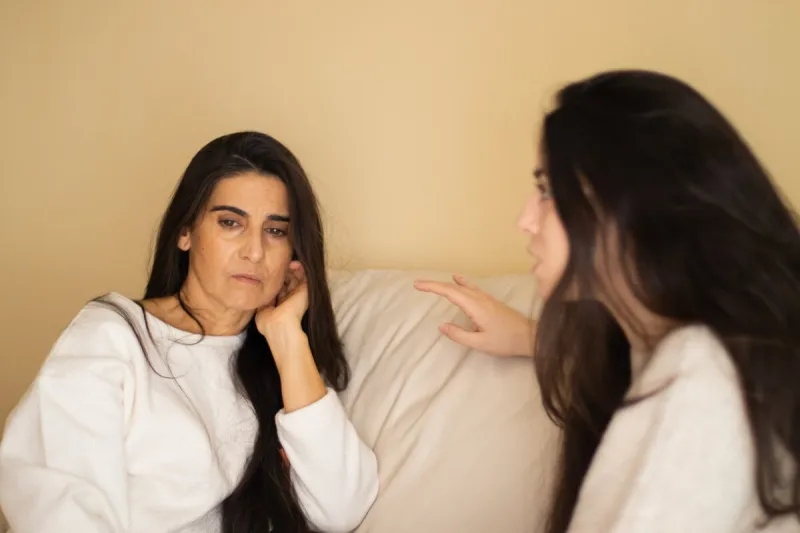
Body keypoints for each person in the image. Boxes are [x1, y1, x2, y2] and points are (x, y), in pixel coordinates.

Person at [415, 70, 800, 533]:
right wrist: (532, 339)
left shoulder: (701, 374)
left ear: (631, 204)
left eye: (546, 192)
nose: (524, 220)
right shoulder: (687, 356)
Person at [0, 132, 379, 533]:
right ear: (186, 233)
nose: (254, 251)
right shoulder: (112, 337)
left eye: (276, 231)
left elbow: (342, 509)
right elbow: (59, 503)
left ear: (294, 253)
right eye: (231, 223)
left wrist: (286, 335)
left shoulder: (281, 367)